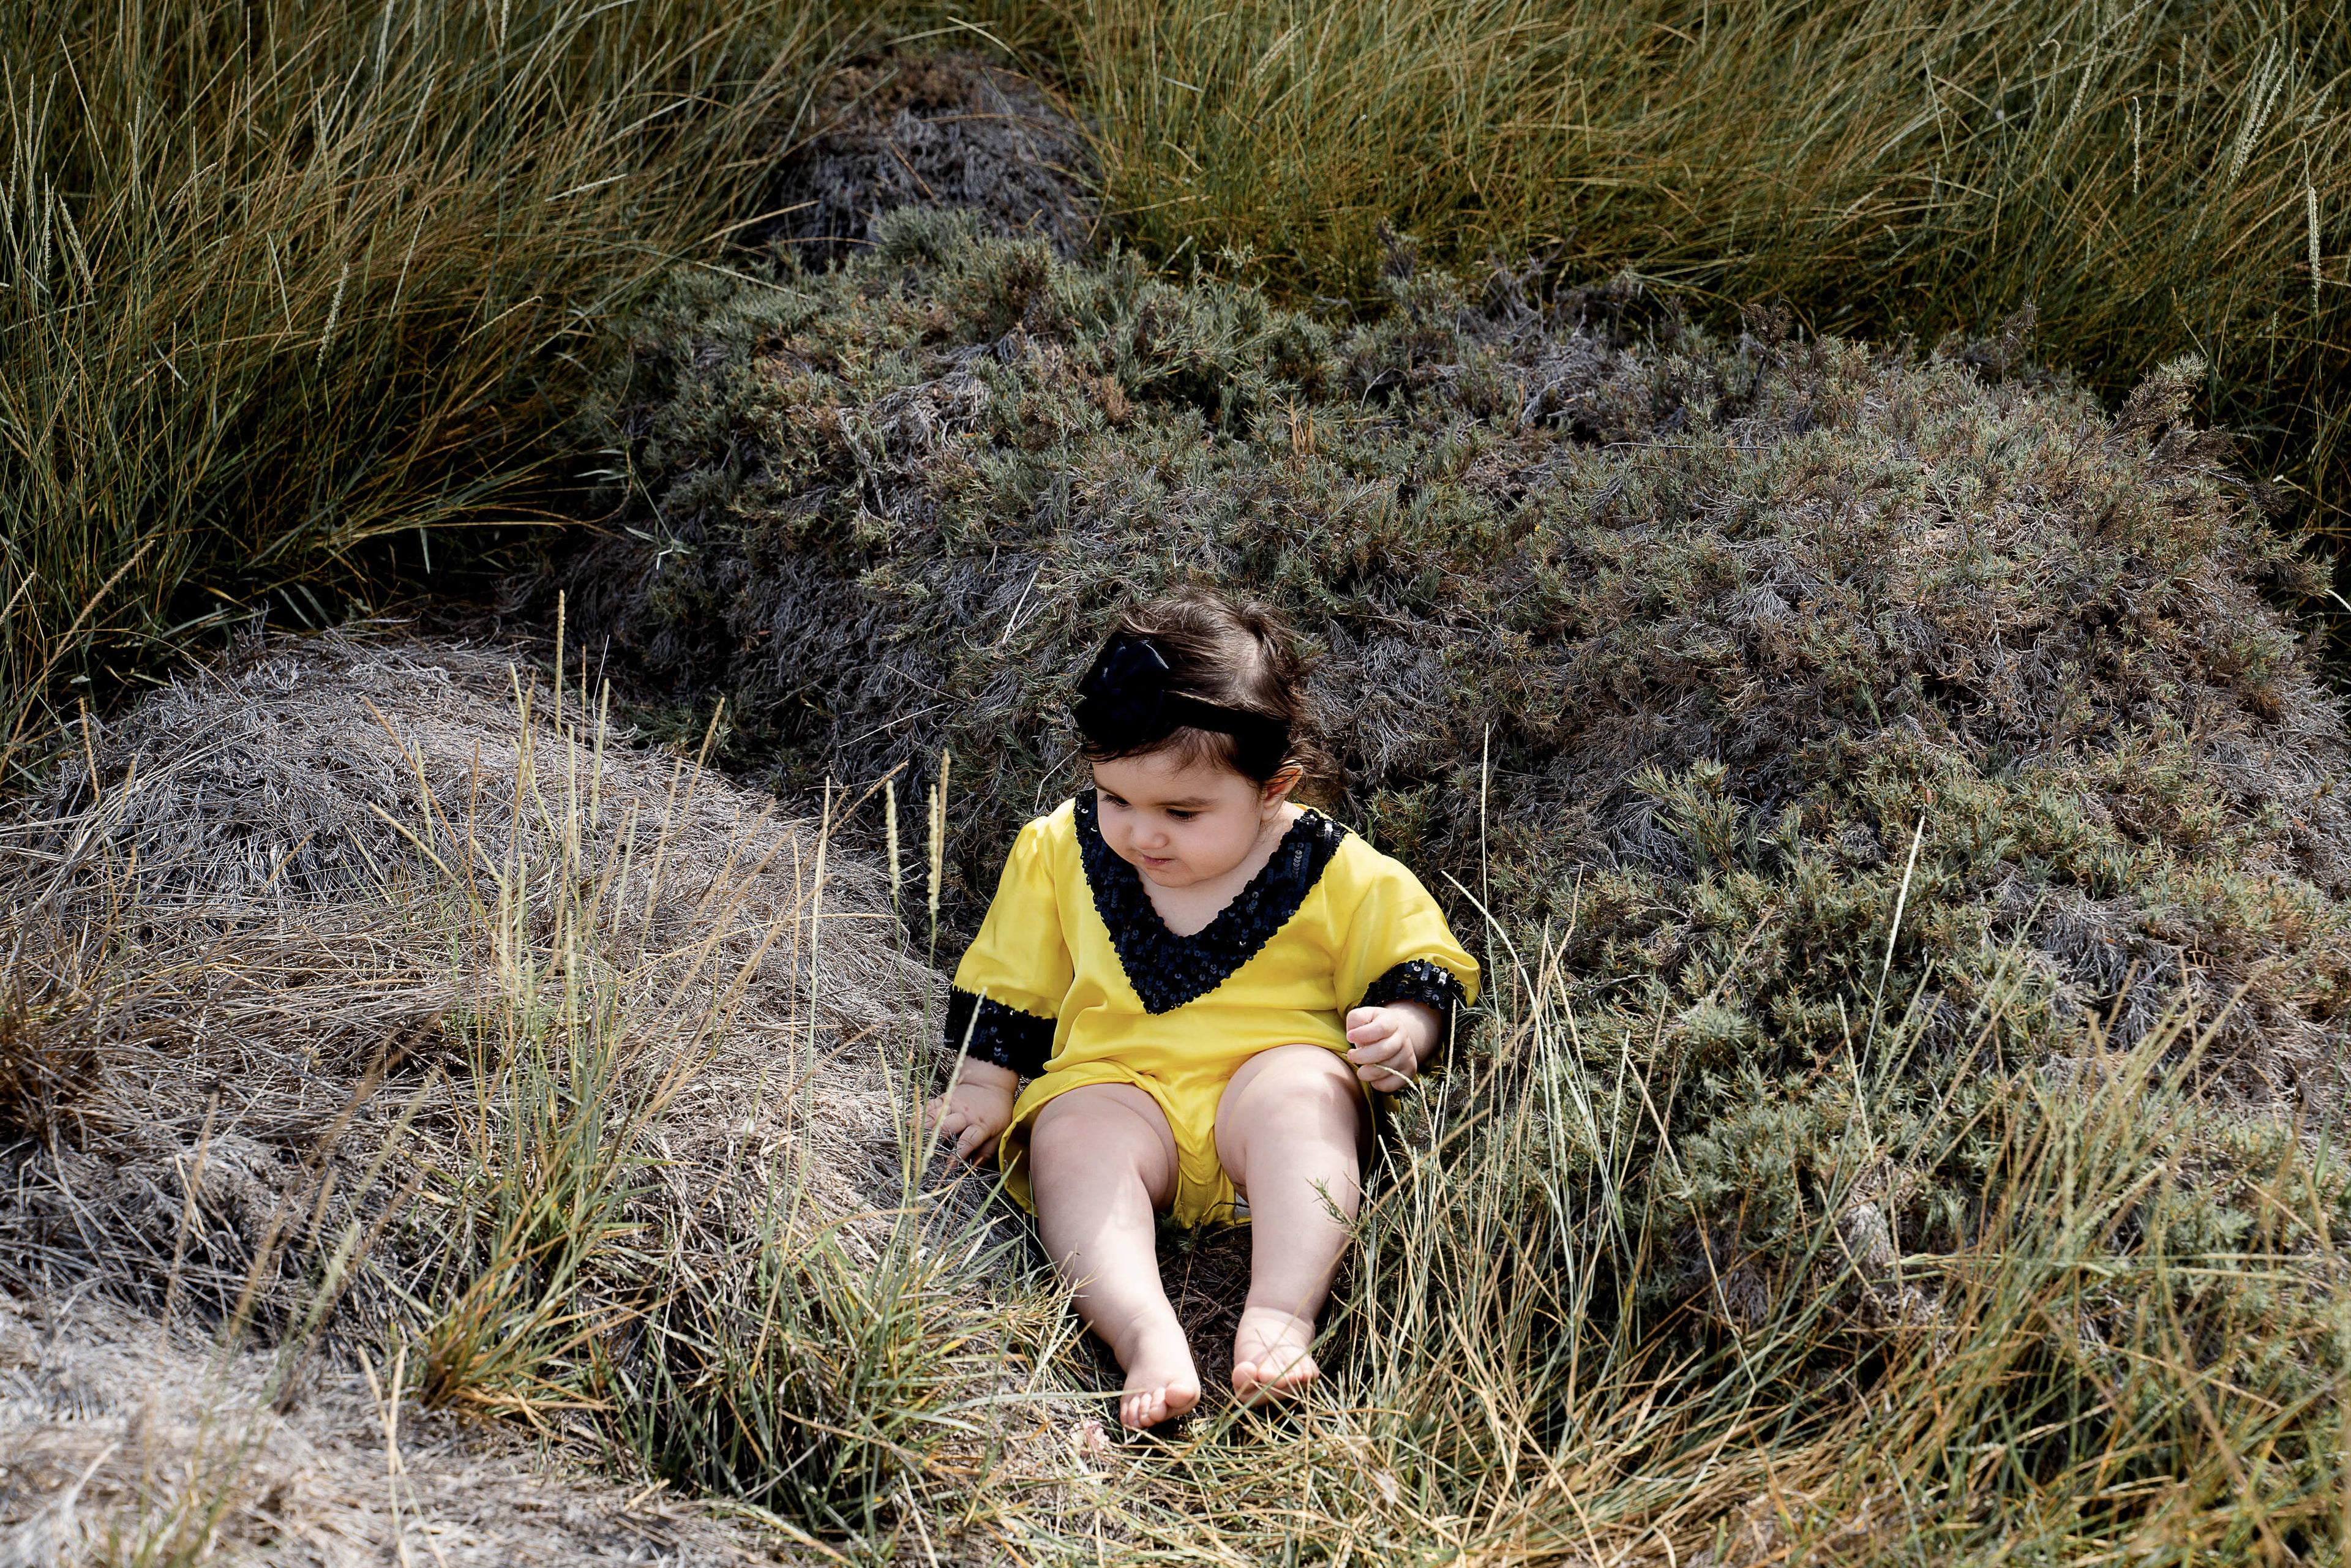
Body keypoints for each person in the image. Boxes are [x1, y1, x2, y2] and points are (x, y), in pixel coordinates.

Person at [924, 589, 1479, 1430]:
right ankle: (1142, 1330)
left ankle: (1284, 1310)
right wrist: (982, 1083)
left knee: (1307, 1095)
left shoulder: (1329, 867)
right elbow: (1012, 977)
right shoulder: (1058, 852)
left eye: (1182, 812)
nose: (1143, 834)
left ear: (1272, 787)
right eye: (1117, 798)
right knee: (1072, 1140)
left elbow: (1419, 954)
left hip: (1264, 1089)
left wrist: (1409, 1025)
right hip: (1119, 1084)